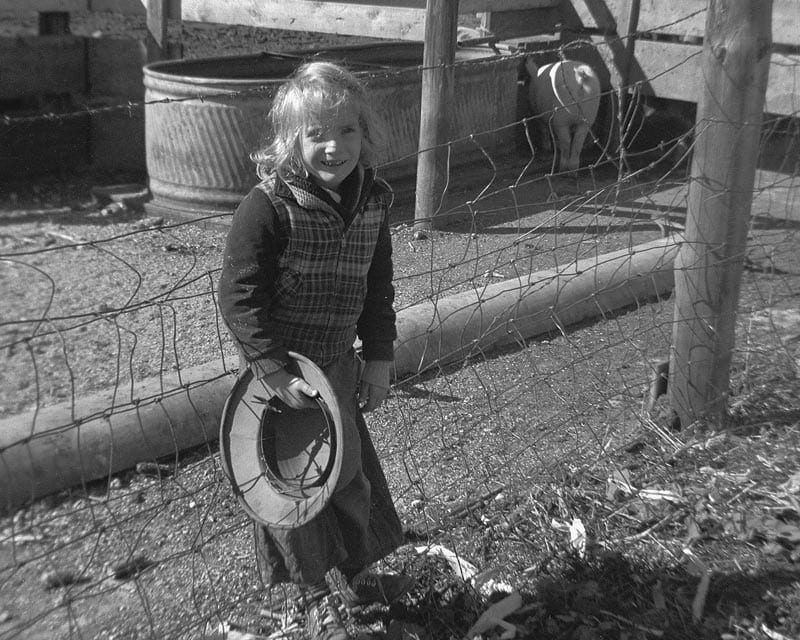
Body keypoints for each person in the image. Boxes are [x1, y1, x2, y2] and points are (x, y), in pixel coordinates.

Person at [217, 61, 413, 640]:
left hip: (338, 365)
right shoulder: (269, 205)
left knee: (347, 476)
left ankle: (357, 577)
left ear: (365, 133)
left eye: (347, 130)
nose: (334, 146)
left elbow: (379, 287)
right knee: (292, 488)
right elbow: (238, 293)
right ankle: (309, 599)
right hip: (280, 377)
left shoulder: (374, 199)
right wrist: (273, 370)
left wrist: (377, 357)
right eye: (316, 134)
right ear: (292, 141)